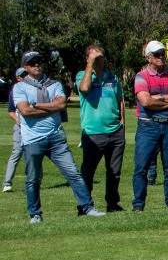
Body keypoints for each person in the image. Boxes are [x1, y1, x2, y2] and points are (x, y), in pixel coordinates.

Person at [13, 51, 105, 223]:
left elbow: (62, 104)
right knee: (33, 178)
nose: (36, 65)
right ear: (25, 67)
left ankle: (88, 207)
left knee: (73, 174)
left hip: (55, 137)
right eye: (32, 63)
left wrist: (37, 105)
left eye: (39, 61)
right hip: (32, 140)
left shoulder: (53, 84)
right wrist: (50, 107)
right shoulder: (19, 87)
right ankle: (35, 214)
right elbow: (25, 111)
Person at [131, 41, 168, 212]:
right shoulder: (141, 77)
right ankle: (138, 204)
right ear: (148, 58)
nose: (161, 57)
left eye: (162, 53)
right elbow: (145, 101)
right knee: (142, 167)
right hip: (148, 127)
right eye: (156, 54)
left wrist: (158, 98)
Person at [76, 45, 126, 212]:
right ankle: (85, 204)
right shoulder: (82, 76)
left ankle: (112, 203)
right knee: (88, 171)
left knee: (114, 171)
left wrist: (122, 123)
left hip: (115, 131)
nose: (100, 59)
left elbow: (120, 100)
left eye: (101, 56)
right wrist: (90, 65)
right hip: (93, 133)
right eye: (95, 57)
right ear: (88, 59)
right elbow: (84, 88)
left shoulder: (113, 77)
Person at [3, 67, 27, 192]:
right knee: (17, 153)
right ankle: (7, 183)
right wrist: (17, 120)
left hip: (34, 128)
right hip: (20, 127)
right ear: (18, 78)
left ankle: (33, 182)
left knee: (34, 154)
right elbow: (11, 111)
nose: (25, 77)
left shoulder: (35, 89)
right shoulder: (14, 91)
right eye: (23, 76)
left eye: (27, 75)